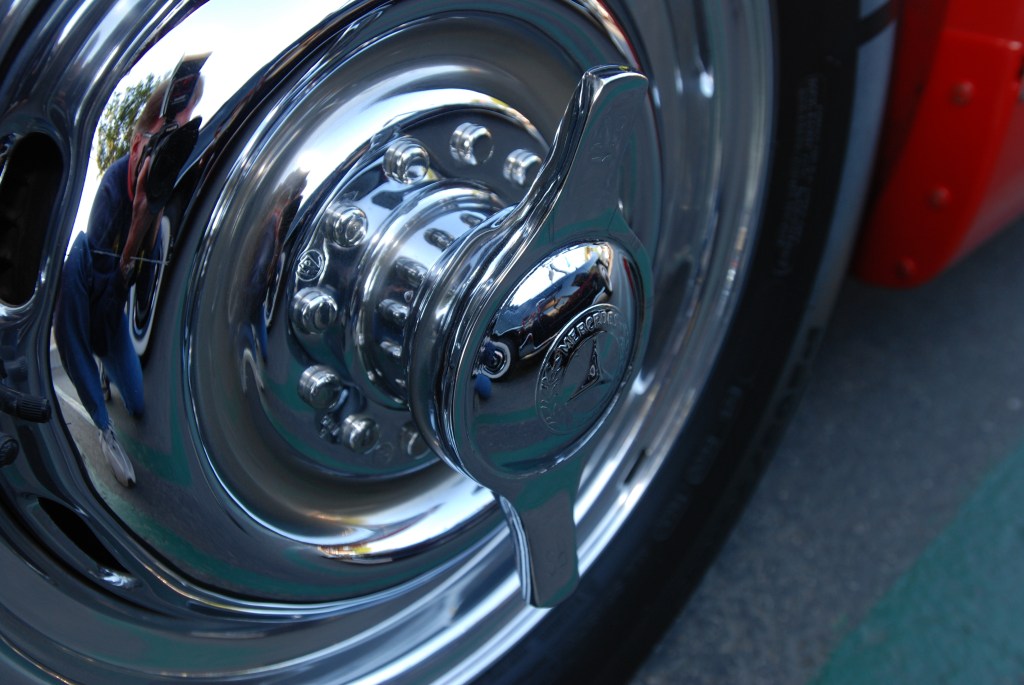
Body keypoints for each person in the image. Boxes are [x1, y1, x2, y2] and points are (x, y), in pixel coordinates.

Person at [54, 76, 201, 487]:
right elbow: (100, 305)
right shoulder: (111, 188)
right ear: (137, 143)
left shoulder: (157, 199)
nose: (160, 164)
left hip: (112, 309)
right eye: (158, 146)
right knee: (73, 265)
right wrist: (135, 227)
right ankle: (103, 428)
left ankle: (110, 372)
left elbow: (145, 297)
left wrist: (149, 225)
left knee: (137, 403)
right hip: (88, 300)